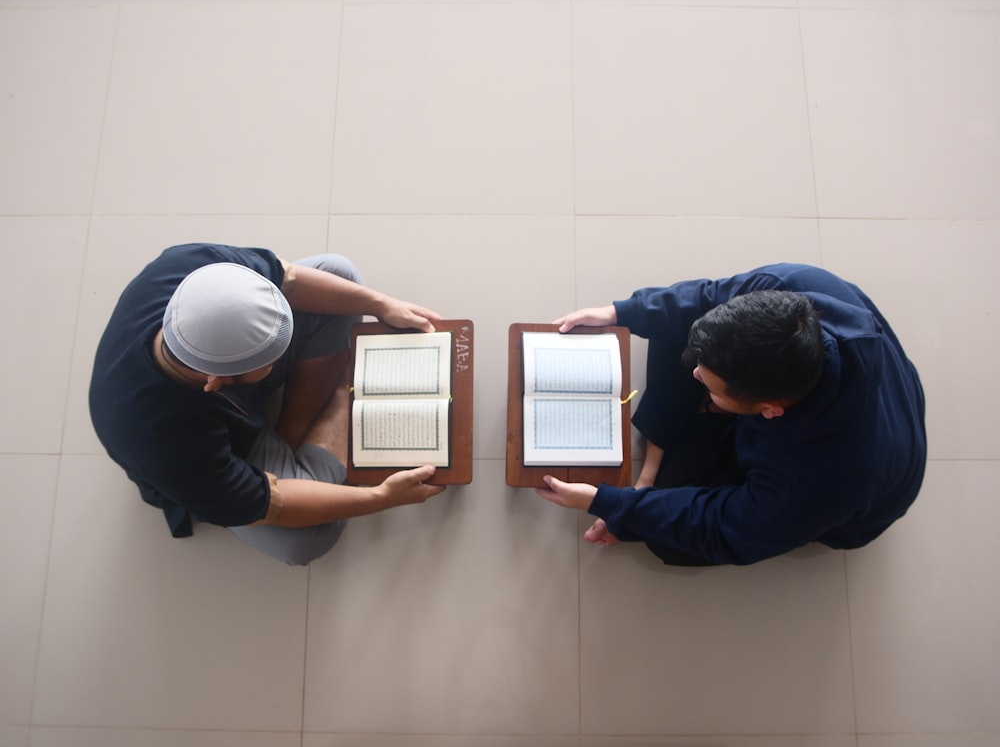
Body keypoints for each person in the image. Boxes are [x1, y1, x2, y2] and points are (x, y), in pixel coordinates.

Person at [535, 263, 927, 566]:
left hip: (843, 497)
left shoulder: (818, 479)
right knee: (677, 329)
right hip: (822, 408)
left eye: (709, 386)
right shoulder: (795, 289)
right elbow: (711, 297)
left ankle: (655, 482)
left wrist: (610, 504)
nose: (694, 376)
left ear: (768, 411)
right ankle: (653, 470)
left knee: (667, 544)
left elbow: (726, 528)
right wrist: (619, 312)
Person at [90, 243, 445, 566]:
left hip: (229, 390)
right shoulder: (168, 446)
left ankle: (290, 434)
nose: (284, 353)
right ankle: (341, 396)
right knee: (303, 543)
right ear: (218, 382)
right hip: (220, 449)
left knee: (336, 271)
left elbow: (289, 279)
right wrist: (382, 497)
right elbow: (270, 507)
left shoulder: (191, 269)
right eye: (271, 358)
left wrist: (381, 304)